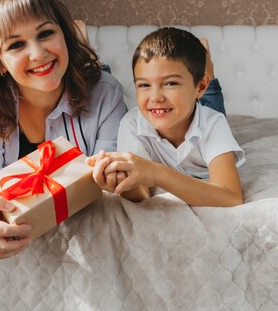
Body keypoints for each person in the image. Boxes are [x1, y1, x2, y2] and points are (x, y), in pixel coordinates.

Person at [0, 0, 128, 259]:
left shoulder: (105, 92)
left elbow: (111, 175)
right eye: (17, 44)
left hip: (86, 78)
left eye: (46, 34)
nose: (38, 53)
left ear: (65, 36)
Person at [87, 27, 245, 207]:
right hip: (183, 107)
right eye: (144, 85)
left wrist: (157, 173)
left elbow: (231, 197)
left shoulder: (213, 123)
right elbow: (141, 193)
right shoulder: (131, 124)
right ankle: (92, 61)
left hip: (201, 110)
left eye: (170, 83)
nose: (155, 97)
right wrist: (119, 183)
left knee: (213, 106)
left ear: (200, 87)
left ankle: (206, 63)